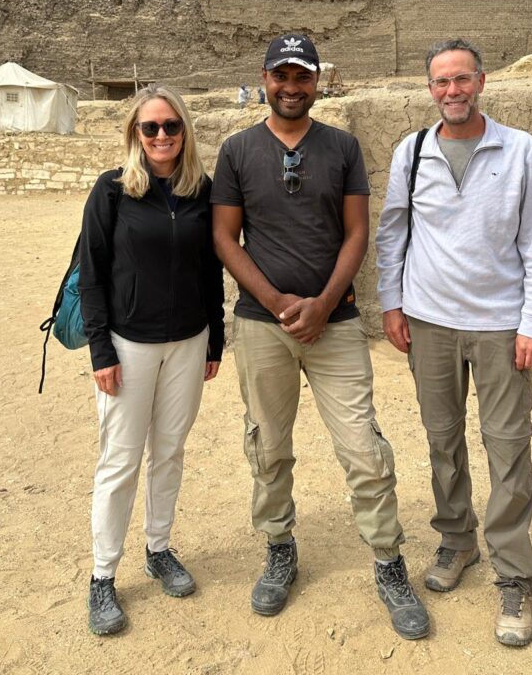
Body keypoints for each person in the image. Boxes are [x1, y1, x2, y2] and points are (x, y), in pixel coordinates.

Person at [211, 34, 429, 640]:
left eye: (301, 77)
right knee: (268, 447)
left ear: (317, 83)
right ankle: (279, 548)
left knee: (362, 447)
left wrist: (323, 304)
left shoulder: (341, 147)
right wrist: (280, 302)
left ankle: (388, 562)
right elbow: (226, 238)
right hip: (262, 327)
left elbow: (356, 233)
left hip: (334, 327)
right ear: (263, 79)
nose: (290, 87)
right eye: (280, 76)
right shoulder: (235, 150)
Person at [375, 38, 532, 648]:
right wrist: (392, 303)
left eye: (461, 80)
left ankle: (514, 572)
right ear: (430, 89)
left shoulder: (520, 149)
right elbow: (394, 230)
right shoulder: (414, 150)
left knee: (508, 446)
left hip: (501, 324)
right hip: (428, 322)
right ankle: (457, 540)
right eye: (440, 83)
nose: (451, 91)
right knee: (442, 439)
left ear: (481, 82)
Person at [79, 84, 224, 636]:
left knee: (169, 452)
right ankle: (102, 576)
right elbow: (92, 272)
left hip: (188, 343)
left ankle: (158, 548)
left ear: (185, 132)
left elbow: (211, 270)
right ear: (135, 135)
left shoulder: (201, 191)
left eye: (172, 126)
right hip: (127, 346)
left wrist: (213, 341)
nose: (162, 136)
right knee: (119, 462)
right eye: (151, 128)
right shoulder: (113, 191)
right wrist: (100, 350)